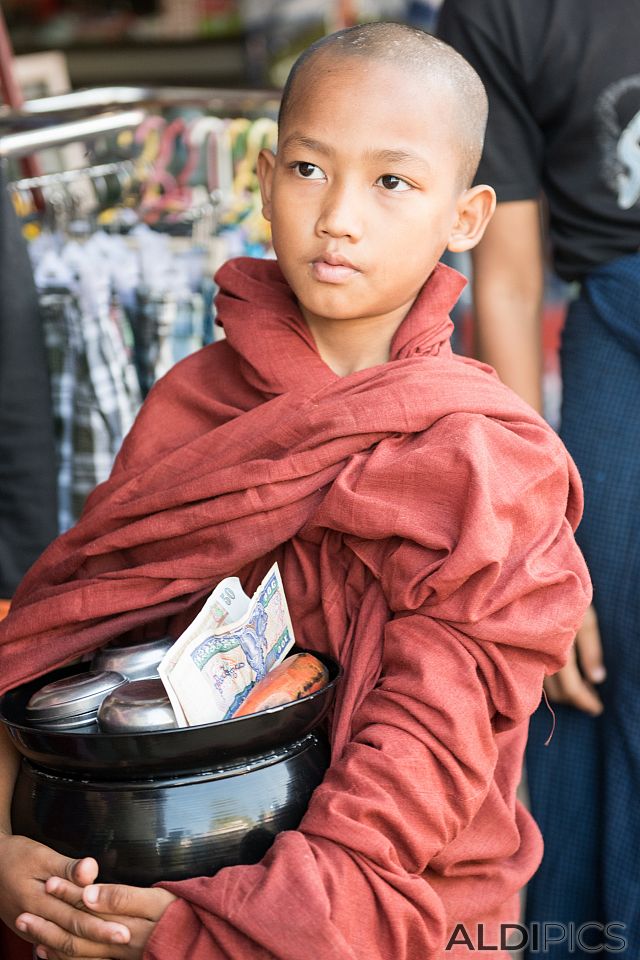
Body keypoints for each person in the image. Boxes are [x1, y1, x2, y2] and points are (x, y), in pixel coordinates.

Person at [0, 22, 590, 960]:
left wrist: (240, 928)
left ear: (466, 217)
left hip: (400, 898)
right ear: (266, 178)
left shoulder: (481, 459)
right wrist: (9, 833)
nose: (340, 215)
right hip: (139, 859)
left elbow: (427, 751)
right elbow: (74, 637)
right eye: (311, 170)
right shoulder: (196, 401)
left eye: (392, 181)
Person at [438, 1, 640, 956]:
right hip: (618, 330)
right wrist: (536, 537)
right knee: (593, 655)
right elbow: (508, 284)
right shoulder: (498, 13)